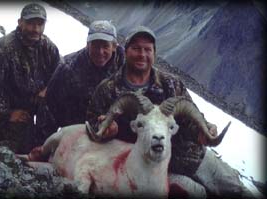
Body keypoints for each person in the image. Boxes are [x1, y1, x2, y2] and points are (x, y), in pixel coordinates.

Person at [86, 26, 252, 198]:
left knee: (235, 188)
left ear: (154, 53)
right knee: (197, 194)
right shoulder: (109, 89)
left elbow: (192, 117)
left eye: (147, 49)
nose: (142, 54)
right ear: (125, 51)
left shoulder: (171, 83)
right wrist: (106, 128)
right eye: (136, 48)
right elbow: (93, 122)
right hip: (152, 168)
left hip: (193, 154)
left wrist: (204, 130)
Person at [0, 3, 60, 154]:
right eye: (30, 23)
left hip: (32, 110)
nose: (35, 29)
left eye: (40, 24)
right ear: (20, 22)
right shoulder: (4, 48)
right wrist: (8, 113)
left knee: (41, 148)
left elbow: (59, 74)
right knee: (6, 154)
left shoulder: (48, 47)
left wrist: (47, 90)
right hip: (6, 113)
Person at [43, 20, 124, 138]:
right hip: (77, 132)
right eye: (95, 46)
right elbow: (49, 105)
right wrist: (43, 145)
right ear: (87, 45)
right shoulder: (68, 68)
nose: (100, 52)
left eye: (105, 46)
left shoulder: (125, 63)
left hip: (113, 130)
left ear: (114, 47)